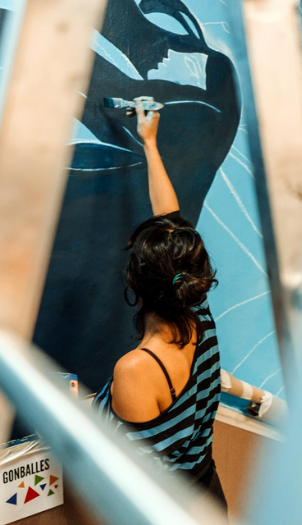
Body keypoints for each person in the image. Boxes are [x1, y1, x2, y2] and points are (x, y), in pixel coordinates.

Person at [91, 100, 229, 515]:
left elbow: (131, 481)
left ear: (132, 284)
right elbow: (170, 219)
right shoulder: (197, 313)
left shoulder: (136, 370)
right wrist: (149, 143)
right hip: (205, 492)